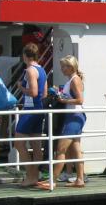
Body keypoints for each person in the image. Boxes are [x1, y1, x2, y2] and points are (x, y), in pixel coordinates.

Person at [14, 43, 48, 188]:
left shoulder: (30, 70)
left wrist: (21, 87)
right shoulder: (42, 70)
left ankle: (31, 176)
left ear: (25, 56)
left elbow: (33, 92)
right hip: (39, 109)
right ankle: (35, 174)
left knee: (18, 143)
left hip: (30, 109)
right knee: (36, 145)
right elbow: (44, 93)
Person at [53, 56, 87, 187]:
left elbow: (80, 100)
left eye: (64, 66)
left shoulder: (75, 80)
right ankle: (80, 179)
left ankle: (52, 180)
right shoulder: (72, 80)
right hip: (74, 116)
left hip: (74, 116)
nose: (62, 69)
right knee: (76, 148)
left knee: (61, 149)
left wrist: (63, 100)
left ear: (71, 67)